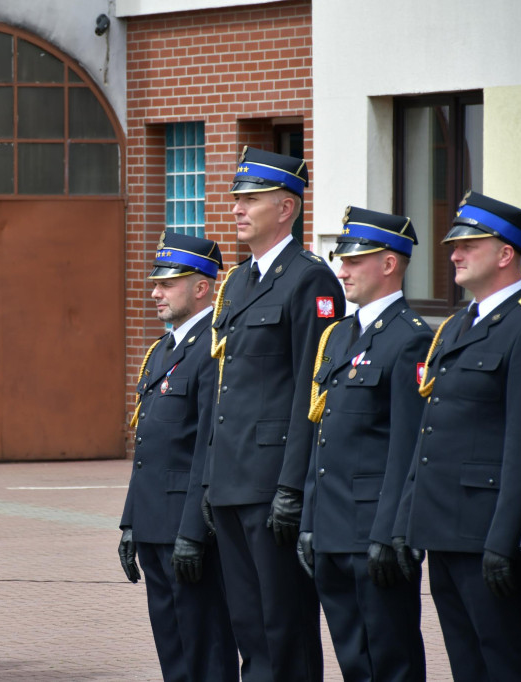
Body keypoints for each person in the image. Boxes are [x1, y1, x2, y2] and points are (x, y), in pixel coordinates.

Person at [393, 191, 521, 682]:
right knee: (468, 666)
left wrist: (505, 542)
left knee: (509, 665)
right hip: (444, 530)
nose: (454, 255)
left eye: (469, 246)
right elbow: (430, 433)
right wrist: (408, 520)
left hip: (488, 534)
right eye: (454, 246)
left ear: (506, 254)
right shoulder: (456, 326)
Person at [203, 146, 343, 682]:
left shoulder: (310, 280)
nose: (238, 208)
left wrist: (292, 486)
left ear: (286, 208)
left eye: (252, 199)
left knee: (285, 627)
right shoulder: (237, 282)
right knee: (250, 626)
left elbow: (313, 390)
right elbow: (225, 388)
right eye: (237, 199)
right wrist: (210, 478)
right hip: (231, 479)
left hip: (271, 483)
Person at [297, 207, 429, 681]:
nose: (342, 271)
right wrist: (309, 520)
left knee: (391, 661)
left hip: (373, 531)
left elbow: (407, 449)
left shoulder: (410, 340)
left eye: (354, 261)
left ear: (389, 264)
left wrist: (391, 532)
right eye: (342, 260)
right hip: (331, 529)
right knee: (354, 660)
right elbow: (322, 436)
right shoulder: (338, 336)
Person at [118, 230, 238, 681]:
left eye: (167, 284)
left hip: (187, 530)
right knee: (172, 648)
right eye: (156, 284)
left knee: (205, 648)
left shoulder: (214, 349)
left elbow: (208, 447)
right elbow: (148, 449)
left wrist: (193, 532)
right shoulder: (162, 350)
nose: (155, 293)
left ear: (202, 287)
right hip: (154, 523)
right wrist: (131, 523)